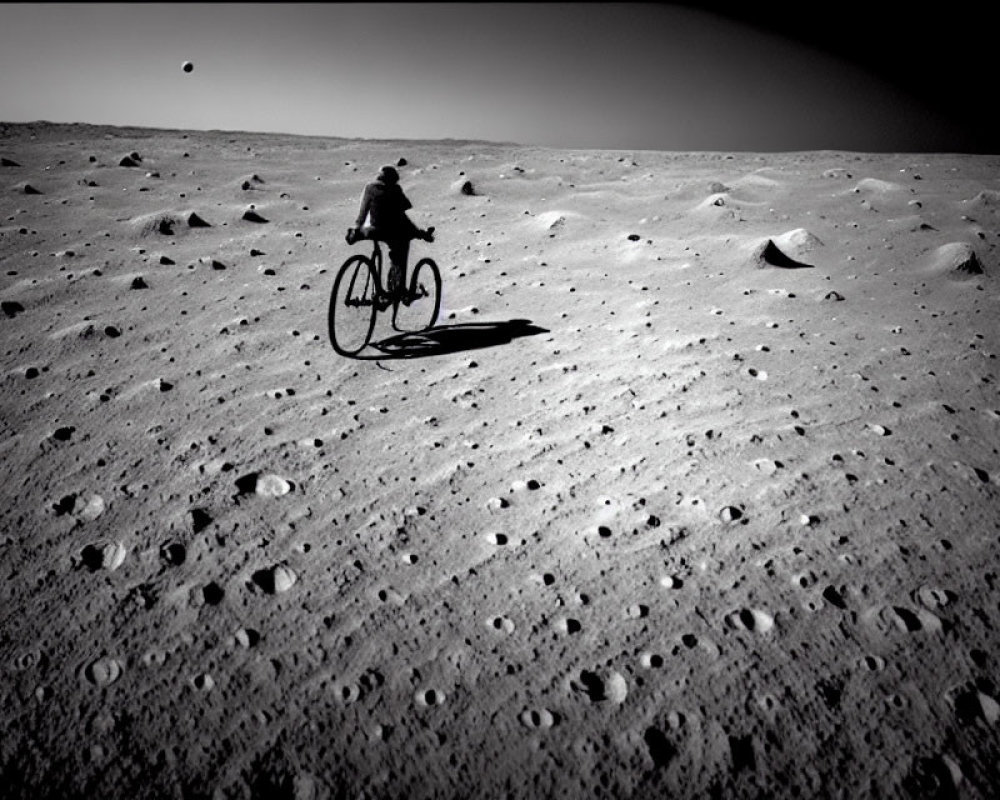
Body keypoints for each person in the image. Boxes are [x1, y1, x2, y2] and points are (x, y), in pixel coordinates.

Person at [346, 165, 434, 304]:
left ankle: (382, 290)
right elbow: (402, 216)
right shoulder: (395, 190)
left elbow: (362, 213)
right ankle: (397, 289)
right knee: (401, 248)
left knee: (385, 239)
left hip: (373, 230)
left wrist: (357, 229)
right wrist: (420, 233)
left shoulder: (369, 188)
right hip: (391, 232)